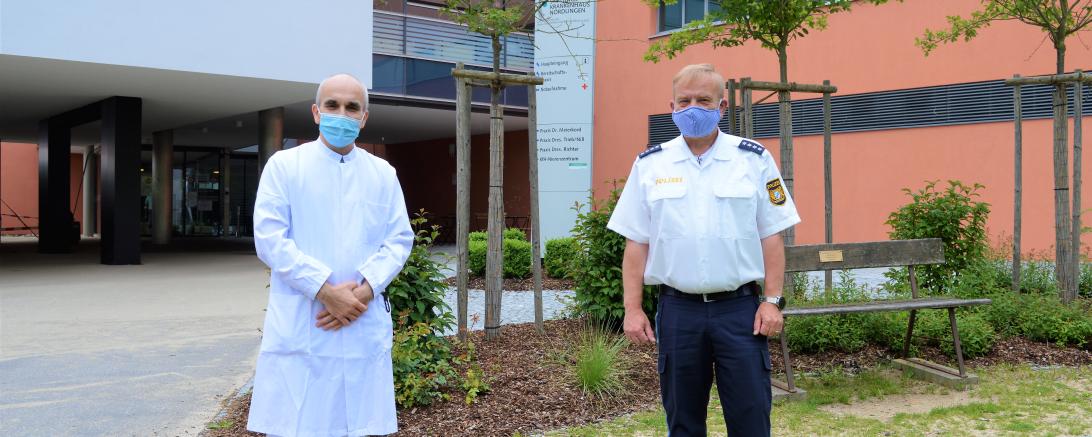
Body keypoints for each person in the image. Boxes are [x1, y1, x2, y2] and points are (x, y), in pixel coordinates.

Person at [607, 64, 800, 436]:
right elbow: (636, 243)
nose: (693, 107)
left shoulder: (753, 159)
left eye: (703, 100)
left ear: (722, 106)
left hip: (741, 312)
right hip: (678, 313)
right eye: (685, 100)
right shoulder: (650, 165)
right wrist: (632, 309)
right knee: (682, 420)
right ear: (672, 106)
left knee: (751, 417)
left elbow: (773, 235)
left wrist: (772, 301)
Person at [247, 73, 413, 437]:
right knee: (301, 421)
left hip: (360, 318)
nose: (342, 113)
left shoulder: (382, 173)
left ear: (364, 117)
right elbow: (270, 238)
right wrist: (325, 290)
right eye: (332, 105)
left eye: (352, 107)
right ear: (316, 112)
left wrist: (363, 292)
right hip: (306, 318)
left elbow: (399, 239)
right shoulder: (285, 166)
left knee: (361, 424)